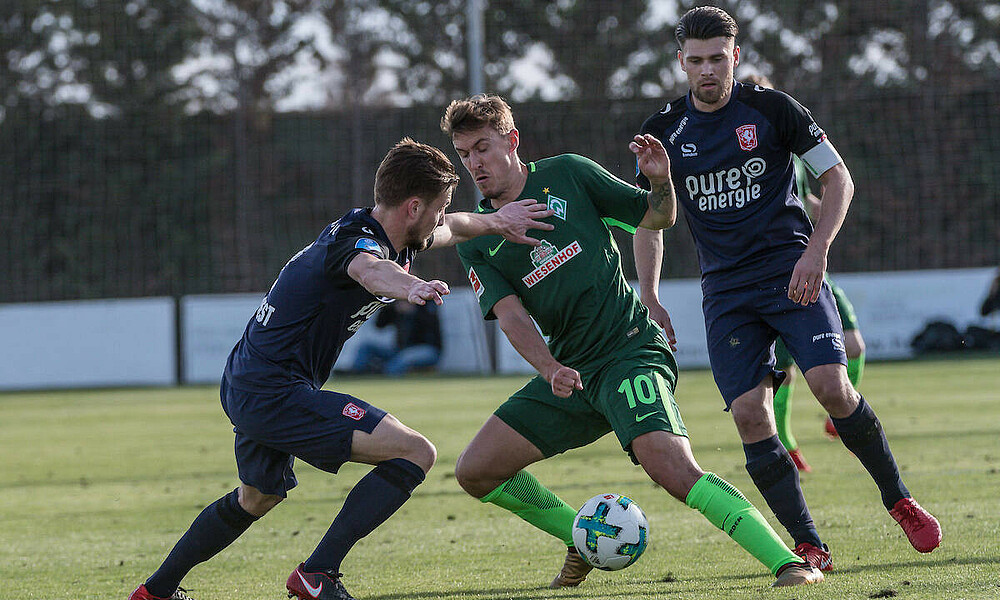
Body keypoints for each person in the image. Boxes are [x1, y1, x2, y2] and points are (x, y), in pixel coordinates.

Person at [127, 138, 555, 600]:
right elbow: (370, 272)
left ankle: (156, 592)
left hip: (249, 379)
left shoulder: (392, 229)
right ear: (413, 207)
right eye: (437, 207)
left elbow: (454, 227)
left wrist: (496, 222)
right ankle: (318, 574)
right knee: (415, 452)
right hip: (273, 389)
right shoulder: (359, 245)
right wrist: (409, 287)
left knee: (258, 497)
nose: (439, 217)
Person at [441, 93, 823, 589]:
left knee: (673, 469)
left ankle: (790, 564)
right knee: (476, 470)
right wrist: (549, 368)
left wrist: (662, 181)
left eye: (483, 148)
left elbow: (657, 217)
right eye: (464, 154)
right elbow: (511, 316)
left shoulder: (570, 174)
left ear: (512, 141)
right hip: (572, 373)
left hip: (629, 351)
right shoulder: (477, 234)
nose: (474, 163)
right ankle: (580, 537)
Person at [633, 5, 941, 574]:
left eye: (717, 59)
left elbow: (837, 177)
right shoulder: (664, 133)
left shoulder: (771, 109)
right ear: (680, 62)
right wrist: (649, 294)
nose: (707, 70)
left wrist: (816, 251)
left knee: (832, 385)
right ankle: (807, 543)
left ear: (736, 56)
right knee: (751, 414)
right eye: (695, 61)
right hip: (725, 292)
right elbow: (652, 221)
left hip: (790, 272)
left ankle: (898, 499)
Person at [740, 73, 869, 470]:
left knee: (854, 345)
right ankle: (788, 446)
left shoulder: (790, 149)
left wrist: (817, 205)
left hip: (811, 262)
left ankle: (837, 417)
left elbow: (804, 188)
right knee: (784, 372)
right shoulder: (739, 157)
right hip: (775, 273)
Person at [349, 300, 443, 376]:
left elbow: (431, 331)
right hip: (399, 349)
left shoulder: (426, 305)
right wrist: (389, 307)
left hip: (427, 349)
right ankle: (356, 374)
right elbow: (379, 325)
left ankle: (383, 374)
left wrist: (413, 312)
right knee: (366, 346)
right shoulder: (397, 307)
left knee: (404, 358)